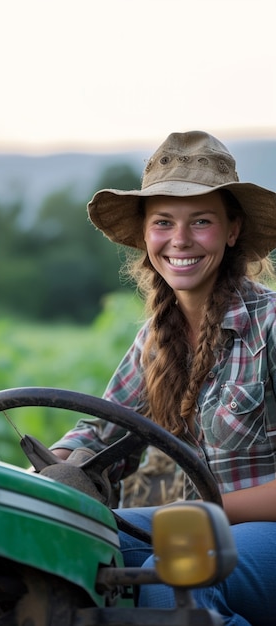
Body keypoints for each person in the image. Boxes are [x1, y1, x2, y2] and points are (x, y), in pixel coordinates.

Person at [50, 130, 276, 625]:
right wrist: (55, 471)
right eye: (164, 222)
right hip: (207, 524)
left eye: (201, 221)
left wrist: (211, 509)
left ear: (232, 230)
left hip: (256, 526)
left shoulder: (270, 325)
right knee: (80, 545)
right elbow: (100, 429)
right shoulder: (157, 339)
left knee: (173, 575)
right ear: (146, 234)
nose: (180, 240)